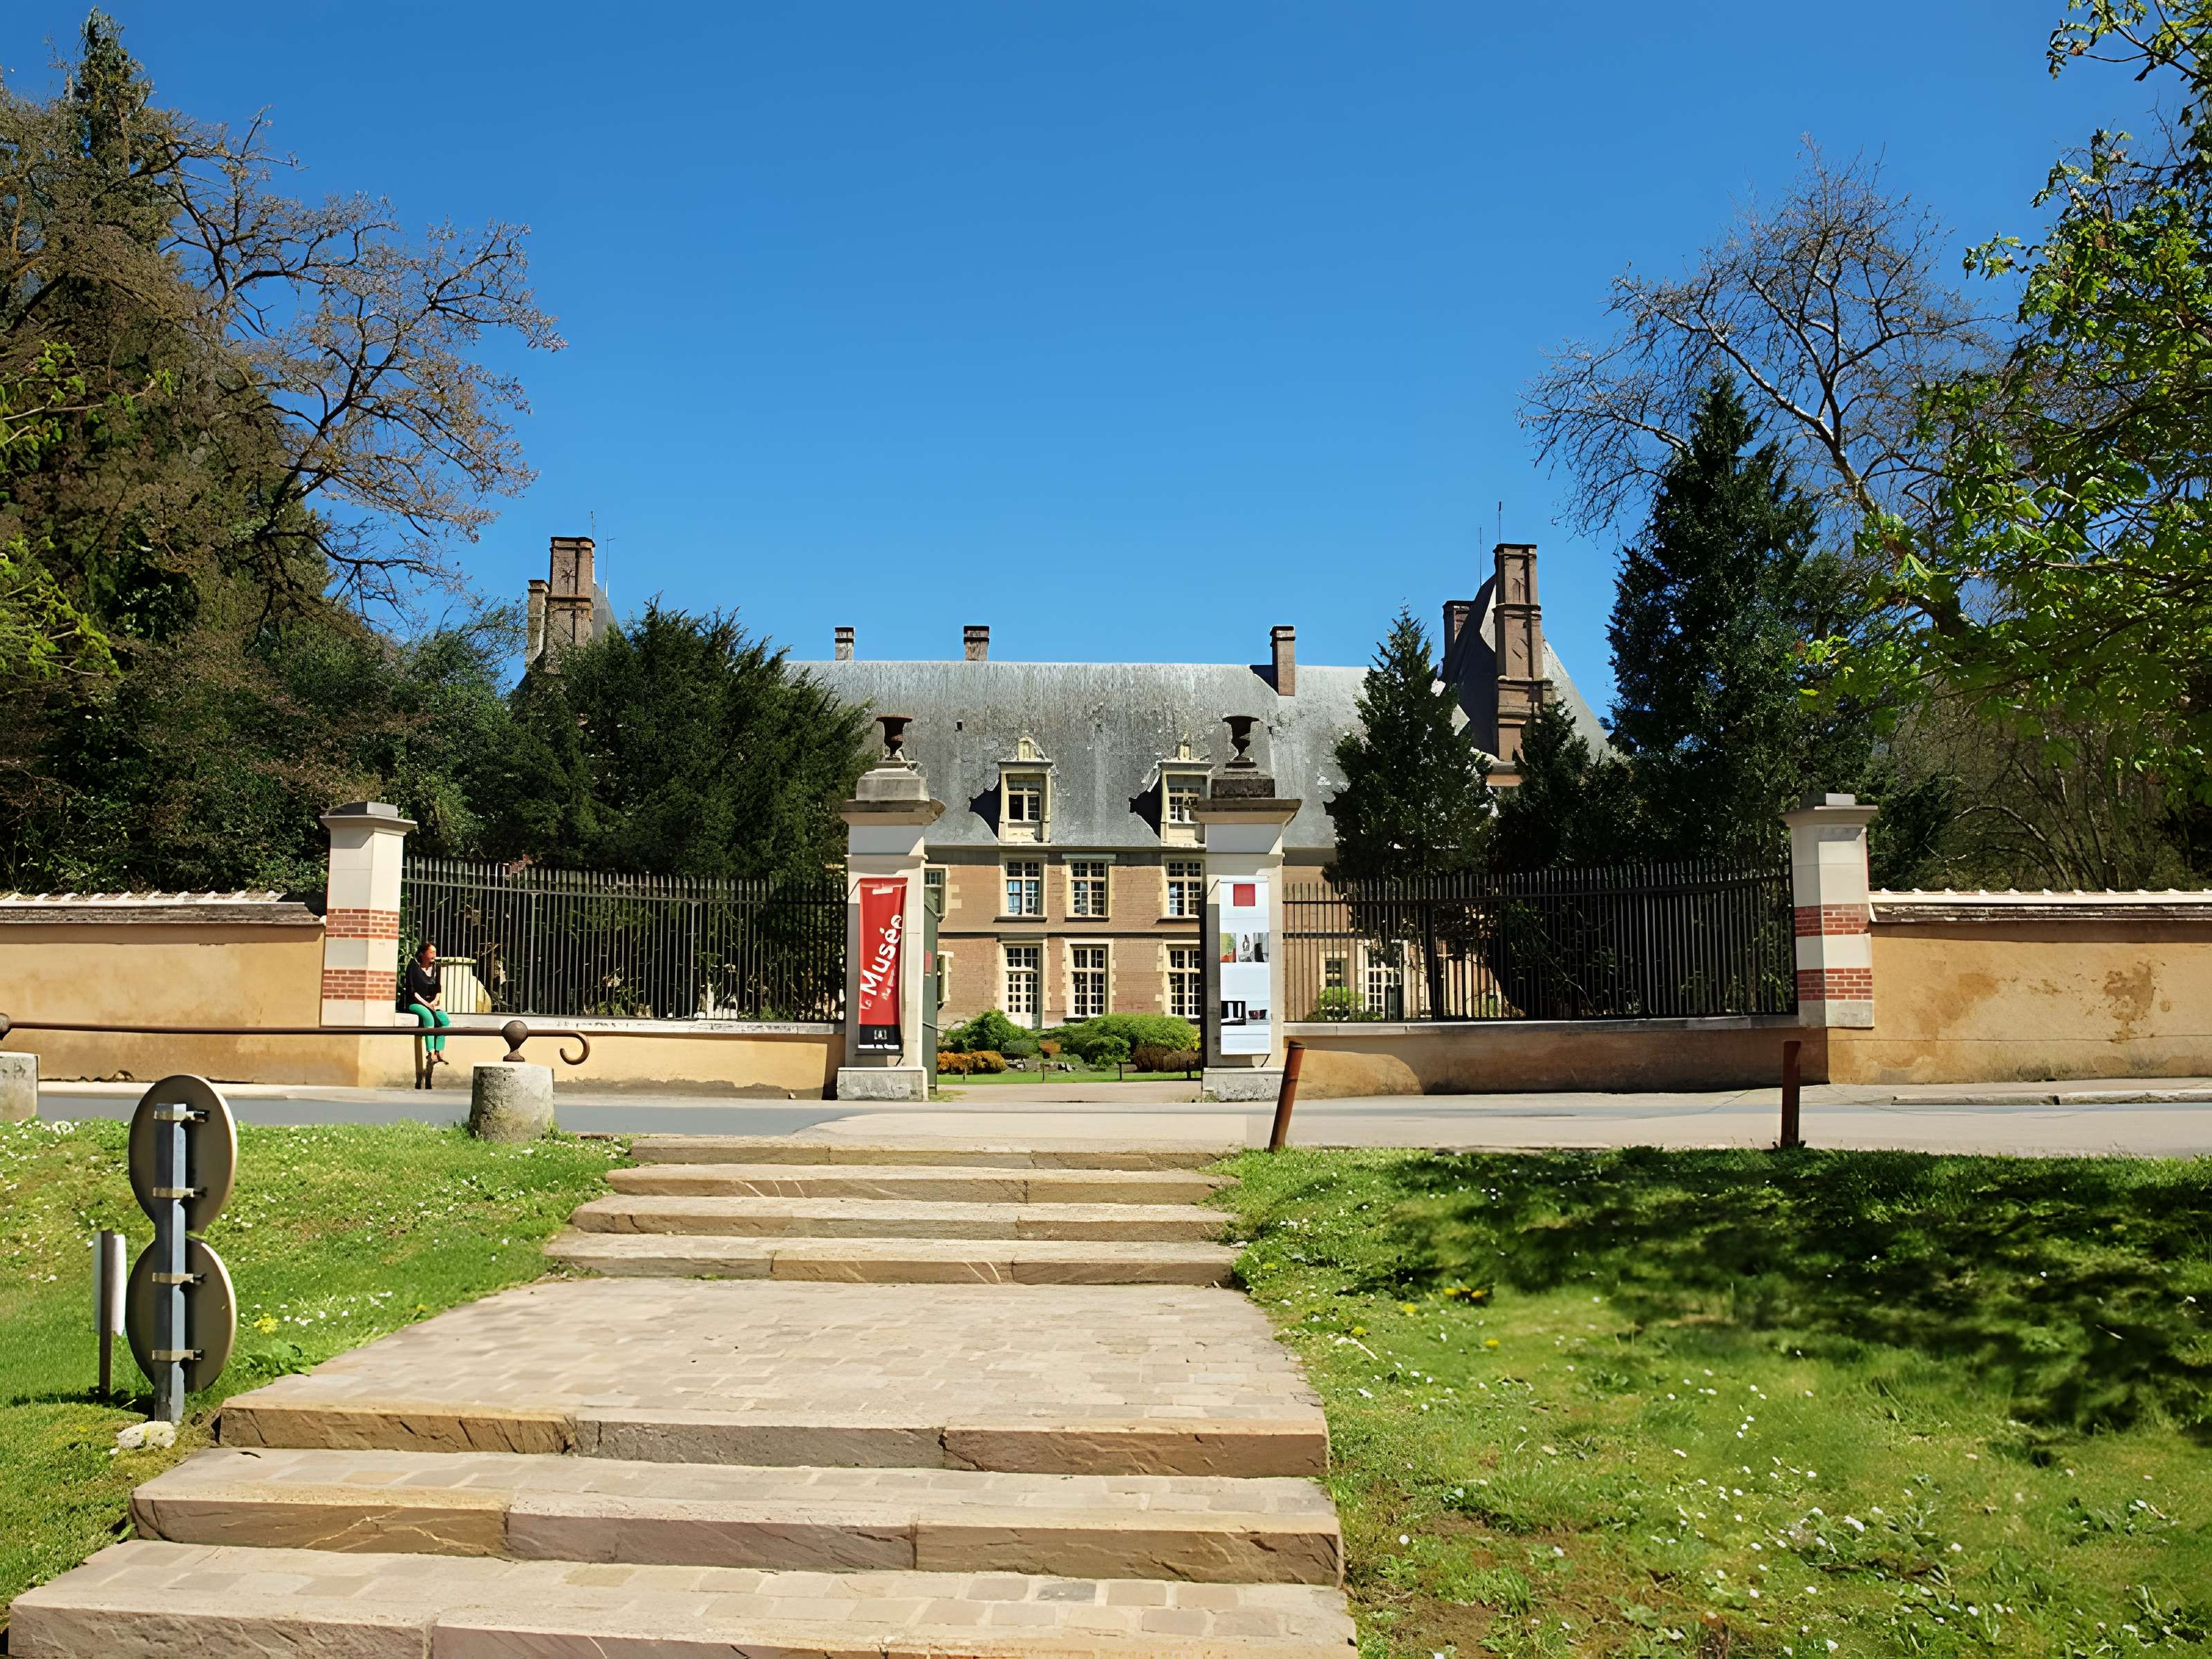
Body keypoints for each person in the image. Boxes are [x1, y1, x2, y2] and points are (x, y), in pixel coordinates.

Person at [402, 941, 451, 1073]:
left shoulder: (435, 968)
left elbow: (438, 988)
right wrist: (427, 1004)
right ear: (423, 954)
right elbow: (413, 991)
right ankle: (431, 1052)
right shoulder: (413, 967)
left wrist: (435, 1000)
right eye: (431, 952)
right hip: (416, 1003)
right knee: (429, 1017)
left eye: (435, 952)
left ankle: (439, 1052)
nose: (434, 954)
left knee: (444, 1019)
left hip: (431, 1004)